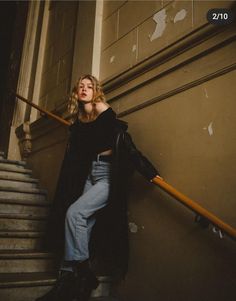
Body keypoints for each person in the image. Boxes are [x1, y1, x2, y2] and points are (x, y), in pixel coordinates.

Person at [36, 74, 161, 301]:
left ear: (96, 91)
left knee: (74, 214)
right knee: (84, 221)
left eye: (89, 86)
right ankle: (66, 278)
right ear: (76, 92)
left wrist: (147, 170)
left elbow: (123, 140)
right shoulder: (79, 119)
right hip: (89, 174)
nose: (84, 89)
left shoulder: (101, 108)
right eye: (81, 86)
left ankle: (83, 271)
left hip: (107, 175)